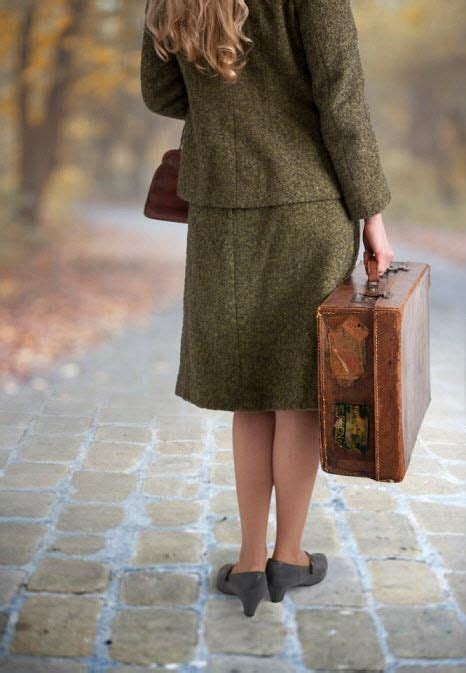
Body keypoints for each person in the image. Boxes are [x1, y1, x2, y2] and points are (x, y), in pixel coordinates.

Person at [140, 0, 394, 617]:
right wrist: (374, 215)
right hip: (308, 204)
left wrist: (230, 103)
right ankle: (290, 558)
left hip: (222, 209)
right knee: (296, 391)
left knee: (249, 392)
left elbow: (161, 92)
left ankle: (249, 564)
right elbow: (342, 102)